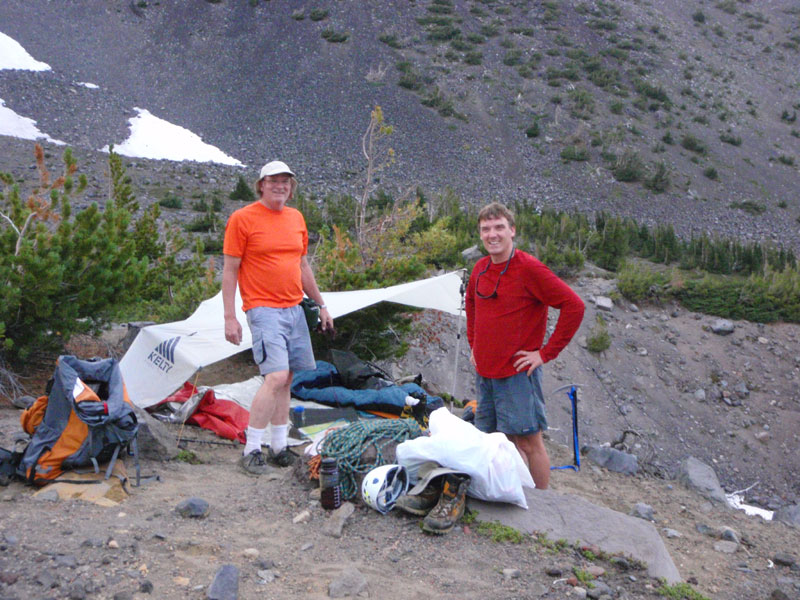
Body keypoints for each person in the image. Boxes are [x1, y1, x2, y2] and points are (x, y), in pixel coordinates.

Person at [222, 160, 333, 475]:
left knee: (287, 379)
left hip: (294, 308)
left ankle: (280, 447)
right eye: (273, 181)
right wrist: (230, 317)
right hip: (262, 308)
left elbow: (303, 265)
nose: (280, 186)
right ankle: (252, 448)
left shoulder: (296, 218)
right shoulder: (242, 219)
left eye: (286, 181)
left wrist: (321, 304)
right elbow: (230, 271)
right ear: (261, 185)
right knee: (274, 377)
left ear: (291, 187)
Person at [465, 202, 584, 489]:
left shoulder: (529, 268)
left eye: (498, 228)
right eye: (486, 229)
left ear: (512, 231)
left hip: (518, 374)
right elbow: (471, 306)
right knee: (496, 441)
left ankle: (542, 507)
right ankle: (506, 494)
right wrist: (474, 345)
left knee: (529, 441)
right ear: (480, 234)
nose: (492, 235)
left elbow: (574, 306)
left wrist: (544, 354)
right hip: (486, 374)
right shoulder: (480, 269)